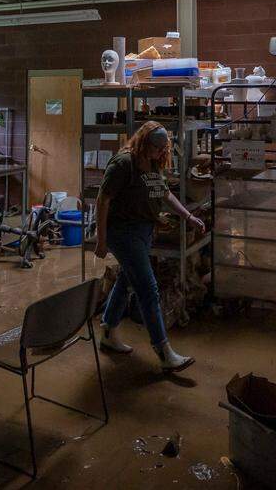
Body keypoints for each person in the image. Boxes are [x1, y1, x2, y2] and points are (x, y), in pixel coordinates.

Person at [95, 121, 203, 372]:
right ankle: (164, 352)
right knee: (148, 288)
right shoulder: (124, 164)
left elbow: (164, 193)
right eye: (156, 148)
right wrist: (101, 239)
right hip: (123, 233)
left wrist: (188, 216)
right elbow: (103, 200)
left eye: (163, 149)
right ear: (143, 143)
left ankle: (108, 332)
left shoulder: (152, 163)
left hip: (143, 231)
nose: (160, 152)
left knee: (126, 279)